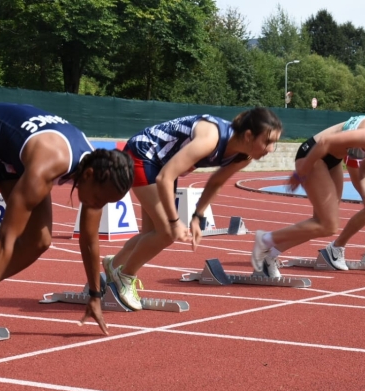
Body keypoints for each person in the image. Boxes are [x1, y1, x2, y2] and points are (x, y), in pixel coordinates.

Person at [0, 103, 134, 348]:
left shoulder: (99, 171)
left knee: (39, 241)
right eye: (99, 199)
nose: (98, 205)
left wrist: (95, 295)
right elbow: (6, 237)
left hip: (10, 150)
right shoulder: (48, 165)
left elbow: (90, 239)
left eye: (106, 202)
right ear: (90, 174)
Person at [102, 108, 283, 310]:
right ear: (249, 135)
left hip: (161, 163)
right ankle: (125, 276)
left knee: (151, 234)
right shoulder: (211, 138)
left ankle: (114, 264)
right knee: (166, 233)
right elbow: (165, 178)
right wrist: (174, 222)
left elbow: (216, 182)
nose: (270, 149)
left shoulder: (243, 155)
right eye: (267, 142)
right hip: (143, 153)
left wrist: (197, 217)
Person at [251, 107, 365, 277]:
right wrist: (300, 173)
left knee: (321, 224)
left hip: (331, 160)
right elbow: (325, 141)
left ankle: (270, 255)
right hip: (314, 154)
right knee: (328, 225)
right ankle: (265, 240)